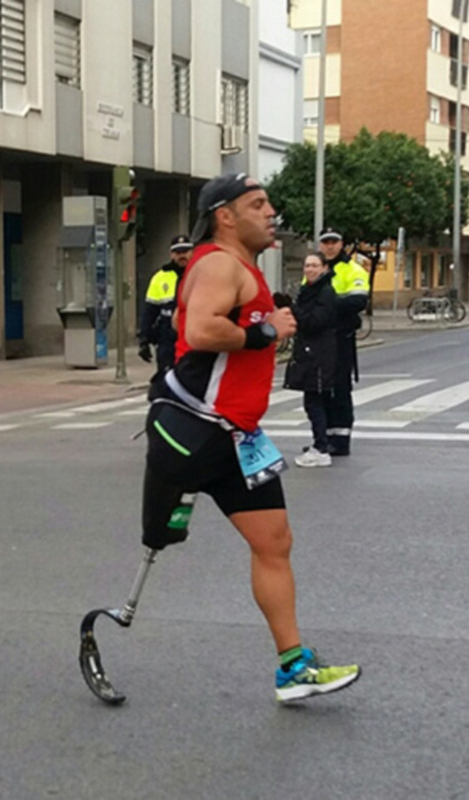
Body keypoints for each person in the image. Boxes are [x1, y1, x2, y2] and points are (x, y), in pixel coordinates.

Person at [142, 172, 361, 702]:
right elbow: (199, 331)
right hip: (204, 428)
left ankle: (293, 667)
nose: (270, 213)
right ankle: (292, 664)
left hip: (233, 433)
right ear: (225, 215)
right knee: (260, 543)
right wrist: (266, 331)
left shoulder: (232, 265)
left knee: (274, 543)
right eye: (257, 204)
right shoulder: (220, 263)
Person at [318, 227, 370, 456]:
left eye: (334, 242)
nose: (329, 246)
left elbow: (358, 301)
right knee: (322, 389)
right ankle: (325, 438)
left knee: (339, 388)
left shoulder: (352, 269)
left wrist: (326, 305)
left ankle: (340, 440)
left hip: (340, 338)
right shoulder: (317, 269)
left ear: (341, 244)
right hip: (320, 338)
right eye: (325, 242)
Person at [284, 251, 336, 467]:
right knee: (313, 401)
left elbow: (315, 322)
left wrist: (293, 309)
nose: (310, 270)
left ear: (324, 268)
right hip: (310, 352)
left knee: (314, 402)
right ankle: (319, 443)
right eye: (307, 266)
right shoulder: (309, 290)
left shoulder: (324, 291)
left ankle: (321, 448)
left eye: (315, 265)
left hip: (319, 355)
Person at [138, 235, 194, 375]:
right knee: (165, 379)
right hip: (167, 341)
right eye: (178, 252)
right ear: (171, 254)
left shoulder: (201, 274)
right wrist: (144, 340)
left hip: (194, 339)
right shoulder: (160, 277)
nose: (182, 256)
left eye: (185, 251)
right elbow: (149, 312)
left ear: (192, 252)